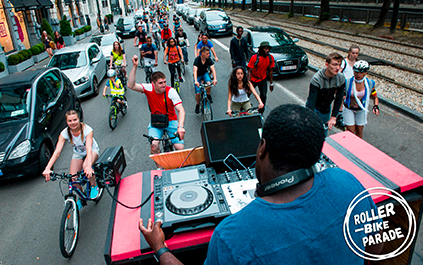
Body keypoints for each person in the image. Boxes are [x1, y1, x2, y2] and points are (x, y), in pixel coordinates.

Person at [139, 104, 381, 264]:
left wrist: (160, 248)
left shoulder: (230, 237)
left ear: (262, 148)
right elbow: (375, 248)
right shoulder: (349, 184)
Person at [127, 55, 186, 168]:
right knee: (154, 145)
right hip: (156, 123)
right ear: (153, 83)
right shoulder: (149, 88)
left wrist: (180, 126)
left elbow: (181, 110)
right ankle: (159, 168)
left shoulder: (171, 91)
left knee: (180, 148)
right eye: (160, 83)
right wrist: (134, 66)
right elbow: (131, 85)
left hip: (171, 121)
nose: (164, 85)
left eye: (164, 82)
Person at [42, 110, 100, 209]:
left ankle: (94, 185)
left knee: (86, 167)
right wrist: (47, 168)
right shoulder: (65, 133)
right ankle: (82, 198)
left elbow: (88, 148)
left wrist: (89, 166)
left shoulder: (87, 130)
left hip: (92, 151)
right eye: (70, 121)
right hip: (78, 153)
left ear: (79, 119)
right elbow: (57, 152)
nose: (73, 123)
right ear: (66, 122)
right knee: (73, 178)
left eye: (75, 120)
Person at [305, 52, 345, 132]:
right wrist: (310, 116)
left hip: (326, 109)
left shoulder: (340, 78)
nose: (338, 68)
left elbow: (339, 98)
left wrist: (333, 117)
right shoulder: (317, 79)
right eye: (334, 65)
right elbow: (312, 100)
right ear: (327, 65)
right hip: (315, 108)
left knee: (323, 134)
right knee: (311, 132)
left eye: (339, 65)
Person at [342, 60, 379, 139]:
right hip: (349, 109)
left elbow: (374, 96)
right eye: (356, 72)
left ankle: (358, 149)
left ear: (365, 73)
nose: (358, 74)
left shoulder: (370, 83)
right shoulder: (347, 82)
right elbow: (341, 96)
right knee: (350, 132)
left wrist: (376, 106)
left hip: (361, 109)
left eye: (361, 72)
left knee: (359, 132)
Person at [247, 41, 275, 113]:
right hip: (253, 79)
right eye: (265, 49)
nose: (267, 50)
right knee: (247, 94)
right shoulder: (254, 58)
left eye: (268, 49)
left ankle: (261, 112)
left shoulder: (270, 58)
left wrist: (271, 83)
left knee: (263, 96)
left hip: (262, 79)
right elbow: (249, 71)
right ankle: (243, 110)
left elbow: (270, 71)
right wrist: (249, 84)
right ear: (261, 49)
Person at [193, 46, 217, 113]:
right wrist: (196, 81)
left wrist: (215, 79)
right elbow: (194, 70)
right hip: (198, 75)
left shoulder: (208, 59)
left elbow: (213, 68)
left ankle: (208, 94)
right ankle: (197, 104)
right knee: (198, 93)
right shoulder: (197, 60)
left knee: (209, 83)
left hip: (204, 73)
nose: (209, 55)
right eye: (207, 53)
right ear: (202, 53)